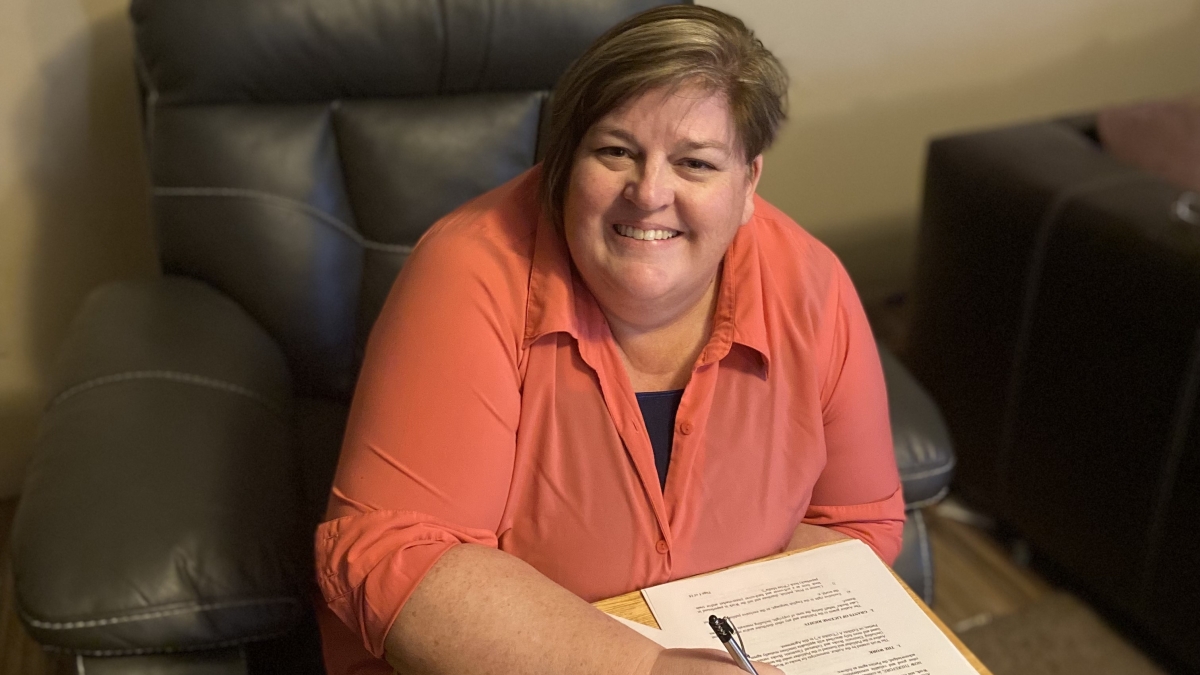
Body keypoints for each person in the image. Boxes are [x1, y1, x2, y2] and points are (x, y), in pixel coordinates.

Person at [315, 6, 904, 675]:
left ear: (748, 183)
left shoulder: (812, 285)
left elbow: (856, 522)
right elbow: (398, 551)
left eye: (696, 163)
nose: (650, 192)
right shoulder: (468, 268)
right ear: (565, 163)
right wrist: (649, 667)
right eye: (616, 151)